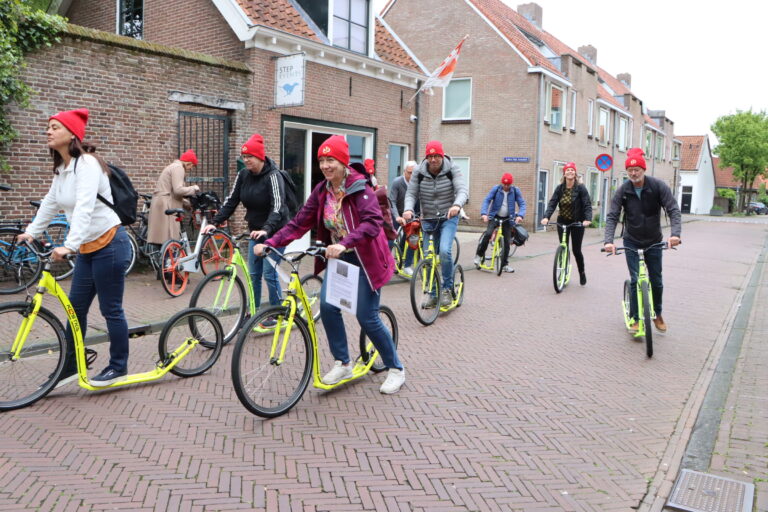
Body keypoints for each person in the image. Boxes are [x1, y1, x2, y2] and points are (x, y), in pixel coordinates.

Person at [254, 135, 405, 394]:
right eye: (322, 160)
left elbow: (372, 223)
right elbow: (300, 221)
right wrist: (272, 241)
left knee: (366, 316)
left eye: (330, 160)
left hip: (366, 258)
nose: (325, 165)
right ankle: (343, 362)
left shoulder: (360, 188)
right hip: (339, 257)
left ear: (343, 162)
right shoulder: (322, 190)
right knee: (327, 307)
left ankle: (396, 368)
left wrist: (346, 242)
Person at [18, 108, 132, 387]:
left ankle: (118, 367)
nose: (48, 131)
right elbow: (50, 202)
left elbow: (83, 207)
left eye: (55, 127)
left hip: (110, 245)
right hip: (87, 249)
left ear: (71, 135)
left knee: (111, 309)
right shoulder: (63, 169)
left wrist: (69, 245)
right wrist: (31, 232)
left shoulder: (88, 165)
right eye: (49, 127)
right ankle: (69, 367)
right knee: (75, 308)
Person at [203, 133, 288, 323]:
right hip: (256, 230)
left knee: (268, 272)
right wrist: (214, 222)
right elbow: (231, 201)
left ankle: (277, 313)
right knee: (253, 274)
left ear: (260, 156)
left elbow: (278, 207)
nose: (246, 160)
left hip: (277, 231)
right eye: (244, 156)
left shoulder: (274, 176)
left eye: (250, 156)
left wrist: (267, 228)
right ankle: (254, 312)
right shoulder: (243, 175)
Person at [604, 148, 681, 332]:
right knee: (635, 279)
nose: (633, 173)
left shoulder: (657, 186)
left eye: (637, 169)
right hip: (632, 240)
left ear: (643, 169)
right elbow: (613, 215)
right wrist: (608, 240)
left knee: (656, 280)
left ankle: (657, 313)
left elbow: (673, 210)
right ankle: (636, 318)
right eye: (630, 170)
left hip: (654, 241)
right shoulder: (623, 190)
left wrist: (675, 234)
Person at [402, 141, 468, 307]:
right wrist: (408, 209)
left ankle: (446, 289)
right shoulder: (419, 172)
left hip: (448, 217)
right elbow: (411, 193)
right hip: (429, 219)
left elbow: (462, 190)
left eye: (436, 156)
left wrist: (456, 205)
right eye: (430, 156)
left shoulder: (452, 168)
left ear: (441, 155)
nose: (433, 160)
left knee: (445, 251)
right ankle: (432, 293)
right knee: (428, 256)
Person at [541, 162, 592, 285]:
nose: (570, 171)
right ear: (564, 173)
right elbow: (552, 203)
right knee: (563, 247)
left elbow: (587, 204)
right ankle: (561, 272)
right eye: (567, 170)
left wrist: (587, 219)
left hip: (577, 222)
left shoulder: (581, 188)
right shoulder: (559, 188)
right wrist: (546, 217)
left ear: (575, 173)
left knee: (576, 250)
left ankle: (582, 272)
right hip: (562, 221)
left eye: (572, 170)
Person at [474, 173, 526, 273]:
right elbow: (487, 200)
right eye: (504, 184)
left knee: (507, 242)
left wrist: (520, 215)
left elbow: (522, 203)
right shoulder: (496, 189)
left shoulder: (515, 191)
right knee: (488, 234)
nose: (506, 187)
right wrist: (484, 214)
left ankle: (504, 265)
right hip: (494, 217)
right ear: (502, 183)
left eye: (508, 185)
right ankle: (479, 256)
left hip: (508, 219)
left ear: (511, 184)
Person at [146, 149, 200, 246]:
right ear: (188, 163)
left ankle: (164, 260)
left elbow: (171, 191)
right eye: (193, 165)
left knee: (162, 242)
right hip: (166, 204)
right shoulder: (178, 168)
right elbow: (178, 190)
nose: (191, 168)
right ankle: (169, 261)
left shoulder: (172, 167)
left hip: (162, 202)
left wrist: (185, 203)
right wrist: (194, 188)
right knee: (170, 241)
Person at [389, 160, 418, 275]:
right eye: (409, 173)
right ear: (404, 171)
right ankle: (387, 263)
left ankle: (407, 265)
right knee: (390, 238)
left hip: (411, 213)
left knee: (413, 237)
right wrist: (396, 217)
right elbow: (392, 201)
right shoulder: (397, 182)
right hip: (397, 213)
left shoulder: (418, 183)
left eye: (414, 173)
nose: (411, 176)